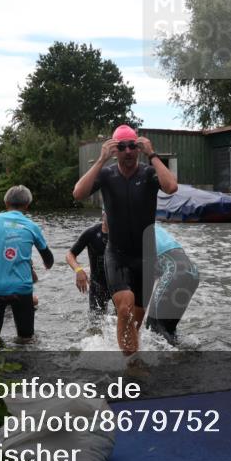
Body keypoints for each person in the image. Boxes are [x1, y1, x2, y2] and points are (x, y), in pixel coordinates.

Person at [72, 125, 177, 354]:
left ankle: (129, 358)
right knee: (124, 305)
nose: (128, 151)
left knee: (135, 323)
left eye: (132, 146)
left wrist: (153, 155)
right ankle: (130, 366)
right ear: (114, 150)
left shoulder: (149, 174)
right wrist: (100, 160)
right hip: (117, 254)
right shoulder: (106, 175)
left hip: (145, 257)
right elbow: (78, 194)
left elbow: (171, 187)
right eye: (121, 147)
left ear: (138, 148)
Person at [0, 185, 54, 345]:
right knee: (26, 339)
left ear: (6, 202)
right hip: (22, 289)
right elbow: (48, 259)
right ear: (27, 206)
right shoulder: (32, 226)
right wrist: (46, 264)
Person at [146, 224, 199, 345]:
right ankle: (180, 358)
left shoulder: (134, 231)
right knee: (168, 329)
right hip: (192, 272)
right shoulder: (153, 227)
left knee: (153, 326)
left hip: (175, 270)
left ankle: (169, 360)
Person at [67, 212, 111, 314]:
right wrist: (78, 270)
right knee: (96, 324)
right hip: (97, 285)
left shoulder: (123, 233)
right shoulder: (91, 233)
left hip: (119, 284)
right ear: (103, 214)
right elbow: (70, 255)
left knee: (123, 321)